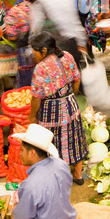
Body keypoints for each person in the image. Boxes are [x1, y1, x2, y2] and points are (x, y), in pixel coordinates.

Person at [28, 32, 88, 186]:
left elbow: (36, 97)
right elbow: (77, 78)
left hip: (51, 110)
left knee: (55, 142)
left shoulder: (41, 69)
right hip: (70, 104)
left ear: (44, 51)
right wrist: (71, 96)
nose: (33, 54)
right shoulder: (67, 56)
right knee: (75, 138)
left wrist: (32, 117)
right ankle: (78, 174)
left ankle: (61, 177)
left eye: (35, 51)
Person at [12, 123, 78, 219]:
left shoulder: (30, 185)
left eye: (22, 150)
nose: (20, 154)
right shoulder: (61, 164)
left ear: (32, 153)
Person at [23, 0, 88, 67]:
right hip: (73, 48)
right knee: (74, 76)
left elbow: (35, 33)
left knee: (58, 79)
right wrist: (82, 43)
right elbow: (76, 24)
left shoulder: (38, 6)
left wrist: (31, 52)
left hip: (55, 53)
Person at [4, 0, 33, 87]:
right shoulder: (32, 4)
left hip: (24, 52)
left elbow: (11, 36)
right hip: (37, 47)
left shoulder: (13, 12)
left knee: (26, 80)